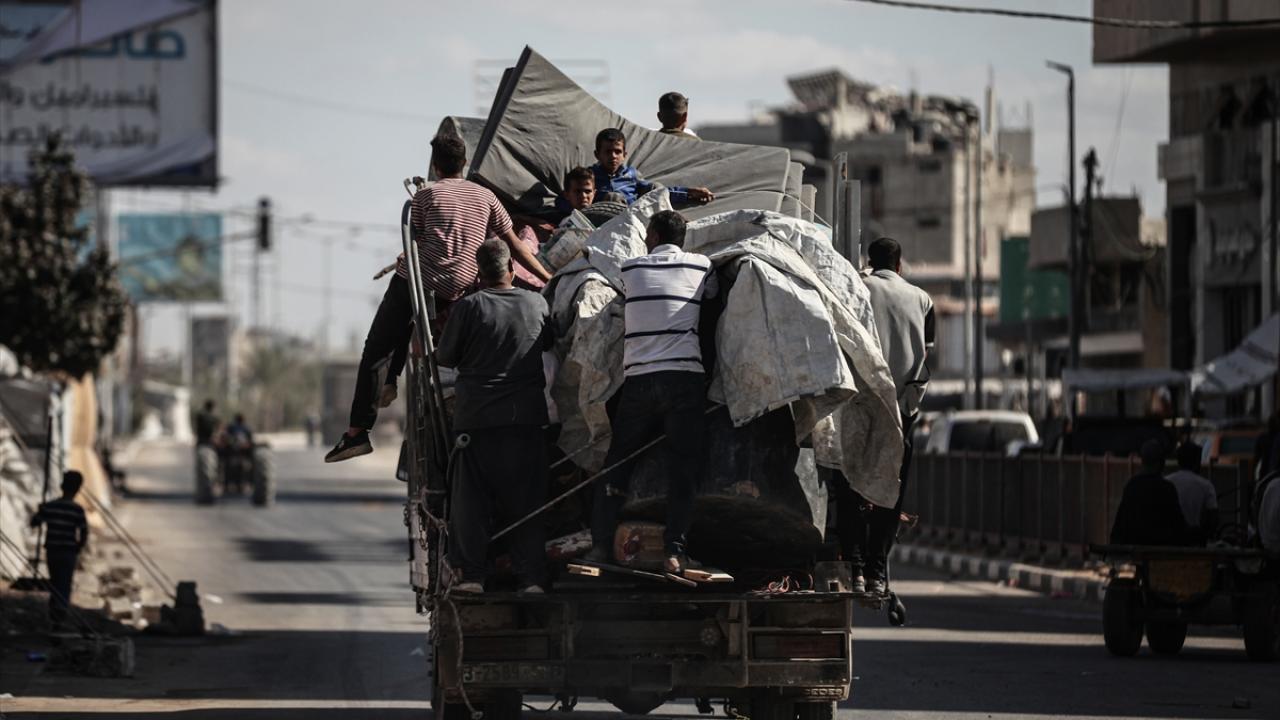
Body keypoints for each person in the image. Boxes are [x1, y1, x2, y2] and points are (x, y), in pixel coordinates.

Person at [326, 133, 552, 463]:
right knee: (412, 308)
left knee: (377, 346)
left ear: (435, 165)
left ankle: (357, 432)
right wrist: (548, 277)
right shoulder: (486, 196)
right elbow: (515, 245)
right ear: (464, 163)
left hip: (422, 280)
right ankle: (391, 381)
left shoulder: (426, 195)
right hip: (458, 285)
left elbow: (417, 241)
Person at [585, 210, 717, 574]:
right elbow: (713, 297)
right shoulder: (702, 265)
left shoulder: (631, 268)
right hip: (684, 378)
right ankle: (674, 551)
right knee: (684, 468)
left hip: (640, 380)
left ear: (655, 237)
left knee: (618, 462)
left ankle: (600, 545)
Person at [436, 239, 553, 594]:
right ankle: (531, 579)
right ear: (512, 268)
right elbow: (549, 343)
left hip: (478, 421)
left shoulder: (469, 307)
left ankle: (473, 577)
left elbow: (445, 357)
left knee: (471, 504)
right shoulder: (537, 303)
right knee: (527, 501)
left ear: (479, 273)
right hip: (526, 421)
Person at [835, 237, 934, 595]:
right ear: (900, 264)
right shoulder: (922, 299)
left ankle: (855, 569)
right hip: (900, 409)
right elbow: (925, 356)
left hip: (860, 402)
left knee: (848, 483)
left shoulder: (857, 287)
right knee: (890, 491)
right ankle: (877, 572)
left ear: (870, 261)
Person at [591, 128, 714, 206]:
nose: (613, 156)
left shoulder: (631, 175)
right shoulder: (590, 176)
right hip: (602, 223)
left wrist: (689, 192)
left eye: (617, 152)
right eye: (608, 152)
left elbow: (657, 193)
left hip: (631, 220)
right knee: (613, 198)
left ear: (624, 155)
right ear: (597, 155)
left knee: (655, 187)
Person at [29, 471, 89, 625]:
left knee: (55, 581)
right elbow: (84, 532)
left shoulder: (50, 506)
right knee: (65, 582)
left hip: (52, 551)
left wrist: (40, 510)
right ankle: (60, 612)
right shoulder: (77, 510)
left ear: (62, 486)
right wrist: (79, 547)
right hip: (68, 552)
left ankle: (54, 612)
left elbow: (34, 522)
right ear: (78, 489)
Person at [1110, 440, 1192, 546]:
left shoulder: (1132, 486)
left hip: (1134, 546)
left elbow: (1120, 523)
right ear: (1161, 463)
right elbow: (1177, 523)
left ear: (1143, 461)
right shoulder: (1166, 488)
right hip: (1159, 548)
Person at [1164, 440, 1219, 544]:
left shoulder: (1166, 482)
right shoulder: (1206, 486)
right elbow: (1213, 519)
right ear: (1196, 461)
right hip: (1195, 542)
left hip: (1169, 541)